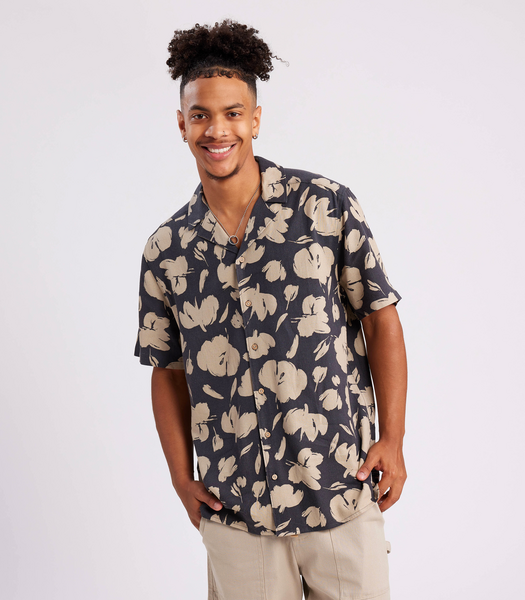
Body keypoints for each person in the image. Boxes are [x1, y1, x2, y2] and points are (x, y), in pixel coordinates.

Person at [135, 19, 407, 600]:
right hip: (236, 511)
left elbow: (381, 318)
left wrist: (394, 439)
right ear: (182, 124)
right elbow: (167, 369)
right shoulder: (167, 249)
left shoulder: (325, 207)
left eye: (232, 113)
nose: (217, 129)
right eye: (201, 115)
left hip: (339, 486)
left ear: (254, 119)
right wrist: (181, 478)